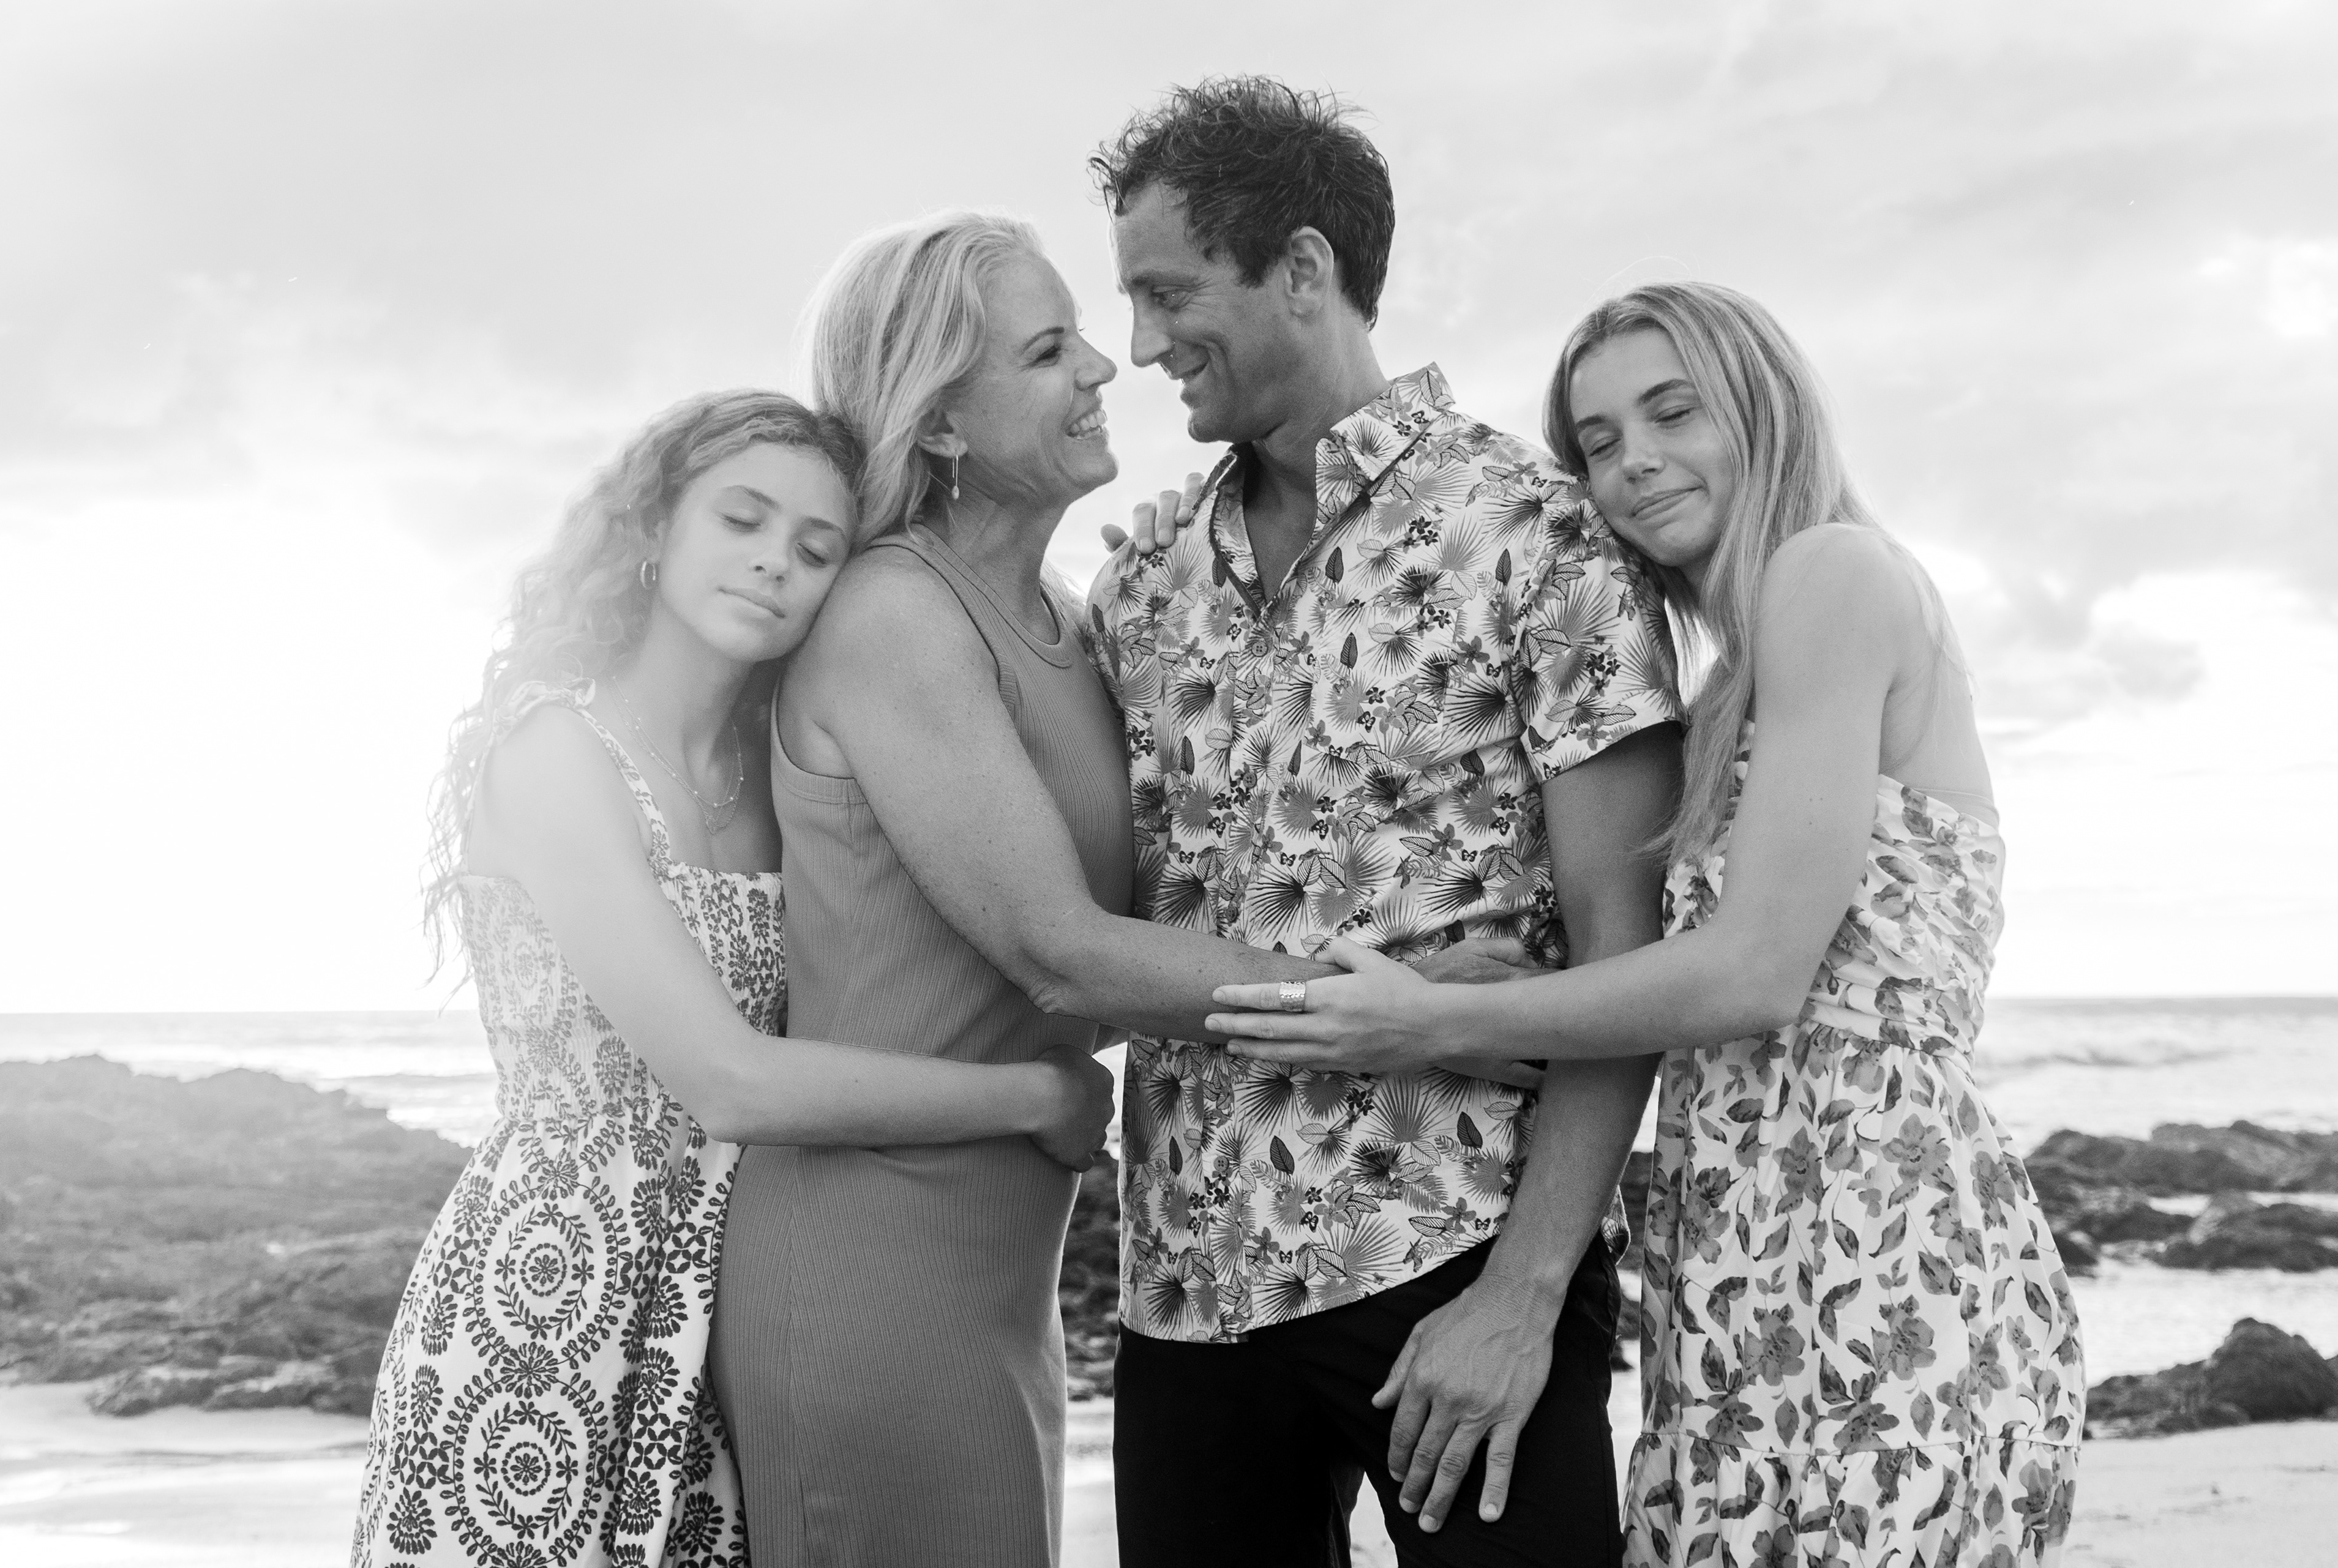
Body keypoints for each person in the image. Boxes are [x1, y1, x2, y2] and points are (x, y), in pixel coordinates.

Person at [706, 210, 1538, 1568]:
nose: (1107, 365)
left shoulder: (1070, 612)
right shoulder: (891, 614)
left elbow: (1145, 940)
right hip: (869, 1257)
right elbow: (1061, 953)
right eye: (1048, 351)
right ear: (942, 422)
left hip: (1004, 1264)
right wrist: (1401, 1007)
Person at [1208, 283, 2086, 1566]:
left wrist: (1432, 1023)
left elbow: (1754, 976)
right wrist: (1488, 982)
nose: (1635, 462)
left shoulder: (1829, 575)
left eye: (1675, 413)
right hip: (1756, 1239)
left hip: (1879, 1239)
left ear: (1765, 407)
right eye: (1600, 441)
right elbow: (1707, 977)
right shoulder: (1736, 679)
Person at [350, 391, 1118, 1568]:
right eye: (742, 520)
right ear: (657, 529)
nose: (774, 563)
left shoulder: (785, 766)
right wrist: (1032, 1096)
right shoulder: (556, 753)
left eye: (816, 549)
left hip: (729, 1304)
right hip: (544, 1298)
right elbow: (726, 1080)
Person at [1085, 78, 1686, 1567]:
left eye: (1168, 293)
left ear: (1301, 268)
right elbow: (1096, 925)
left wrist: (1523, 1300)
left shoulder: (1530, 527)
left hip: (1453, 1260)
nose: (1143, 344)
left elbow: (1628, 956)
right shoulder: (1141, 583)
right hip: (1187, 1296)